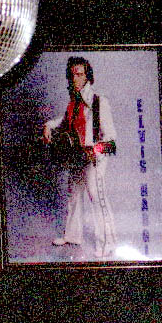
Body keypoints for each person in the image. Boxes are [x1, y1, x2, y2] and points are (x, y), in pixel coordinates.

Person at [43, 56, 118, 258]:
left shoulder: (99, 102)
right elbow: (65, 121)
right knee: (74, 195)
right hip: (76, 156)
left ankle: (108, 243)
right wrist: (48, 125)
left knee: (96, 195)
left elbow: (111, 139)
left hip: (94, 158)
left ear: (87, 77)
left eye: (80, 74)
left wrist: (94, 150)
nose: (75, 78)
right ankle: (73, 236)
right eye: (73, 75)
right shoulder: (74, 103)